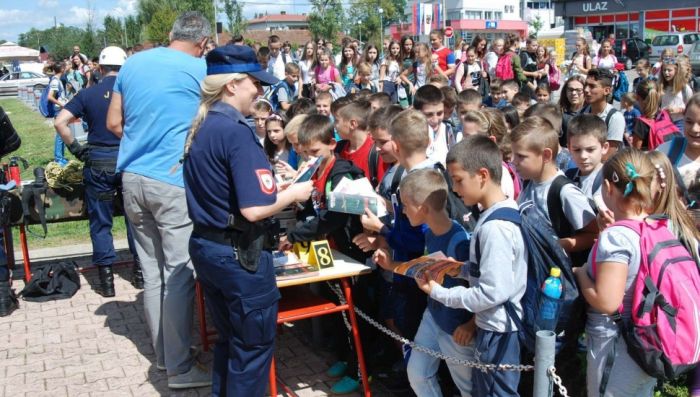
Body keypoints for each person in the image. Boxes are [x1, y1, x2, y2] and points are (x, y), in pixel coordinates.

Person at [183, 44, 312, 396]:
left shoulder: (204, 123)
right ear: (232, 84)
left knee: (232, 342)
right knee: (251, 350)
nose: (259, 90)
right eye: (254, 82)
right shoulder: (235, 131)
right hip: (238, 254)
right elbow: (254, 210)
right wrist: (292, 194)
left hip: (209, 246)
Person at [105, 11, 212, 389]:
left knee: (152, 272)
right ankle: (180, 368)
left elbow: (113, 123)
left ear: (171, 34)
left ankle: (168, 357)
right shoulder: (199, 69)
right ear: (202, 42)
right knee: (179, 273)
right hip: (171, 179)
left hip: (132, 177)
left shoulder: (132, 64)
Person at [418, 134, 527, 396]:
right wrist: (460, 268)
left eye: (458, 180)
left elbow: (492, 292)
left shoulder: (494, 229)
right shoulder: (500, 213)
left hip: (498, 330)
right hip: (495, 327)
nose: (455, 189)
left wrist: (439, 293)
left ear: (482, 175)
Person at [373, 169, 474, 396]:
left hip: (456, 327)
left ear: (423, 208)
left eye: (406, 206)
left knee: (468, 388)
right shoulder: (429, 234)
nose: (403, 212)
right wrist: (390, 265)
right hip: (434, 316)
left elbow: (483, 288)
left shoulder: (460, 242)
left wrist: (471, 325)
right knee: (417, 373)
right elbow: (423, 270)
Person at [54, 46, 143, 298]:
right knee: (135, 219)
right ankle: (140, 273)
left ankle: (106, 281)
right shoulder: (132, 94)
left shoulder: (88, 93)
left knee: (101, 222)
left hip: (99, 165)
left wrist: (77, 150)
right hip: (128, 163)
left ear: (100, 69)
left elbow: (60, 122)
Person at [572, 149, 658, 397]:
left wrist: (580, 273)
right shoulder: (658, 226)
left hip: (616, 346)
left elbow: (608, 302)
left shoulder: (616, 238)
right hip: (649, 341)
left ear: (608, 187)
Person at [566, 114, 609, 204]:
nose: (583, 156)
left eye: (590, 149)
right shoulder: (567, 176)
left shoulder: (609, 179)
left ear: (604, 147)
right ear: (569, 149)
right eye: (577, 150)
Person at [584, 68, 625, 159]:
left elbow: (608, 156)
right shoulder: (583, 112)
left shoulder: (614, 118)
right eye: (585, 85)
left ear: (606, 91)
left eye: (592, 86)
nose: (586, 90)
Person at [413, 85, 455, 166]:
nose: (435, 120)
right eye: (429, 115)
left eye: (440, 113)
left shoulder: (448, 131)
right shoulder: (409, 137)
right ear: (416, 112)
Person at [560, 75, 587, 146]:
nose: (574, 93)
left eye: (578, 90)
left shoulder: (590, 112)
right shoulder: (559, 111)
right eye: (571, 89)